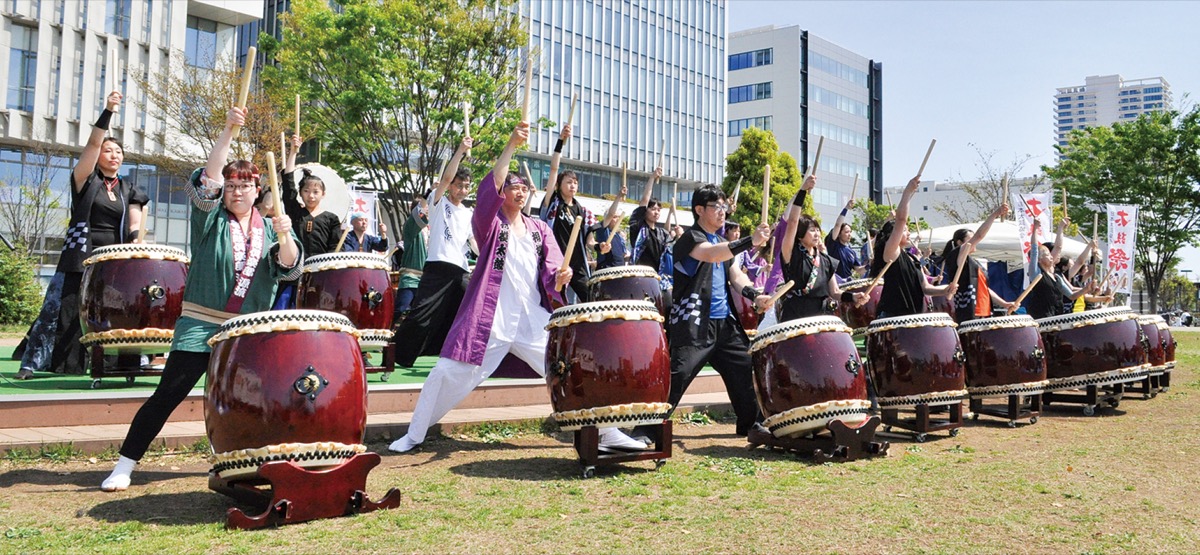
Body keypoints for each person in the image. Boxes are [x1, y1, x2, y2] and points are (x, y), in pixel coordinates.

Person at [388, 121, 644, 454]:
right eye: (513, 188)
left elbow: (553, 269)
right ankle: (414, 434)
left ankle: (606, 433)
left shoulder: (539, 229)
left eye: (524, 188)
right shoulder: (489, 225)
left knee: (569, 367)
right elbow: (491, 184)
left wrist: (561, 277)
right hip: (490, 321)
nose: (520, 192)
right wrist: (511, 144)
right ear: (502, 195)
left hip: (532, 321)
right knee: (445, 372)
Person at [101, 106, 301, 491]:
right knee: (169, 392)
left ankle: (250, 464)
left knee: (252, 401)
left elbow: (289, 267)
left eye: (245, 186)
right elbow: (210, 176)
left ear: (257, 191)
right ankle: (125, 464)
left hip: (246, 331)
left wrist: (285, 234)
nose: (237, 191)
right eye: (231, 186)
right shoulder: (210, 220)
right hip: (201, 323)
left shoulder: (271, 228)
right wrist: (228, 131)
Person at [15, 91, 148, 379]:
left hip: (113, 259)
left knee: (113, 310)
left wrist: (136, 240)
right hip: (81, 254)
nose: (114, 155)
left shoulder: (128, 188)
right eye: (108, 151)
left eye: (119, 152)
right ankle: (33, 363)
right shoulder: (85, 180)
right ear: (98, 156)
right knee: (60, 307)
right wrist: (108, 111)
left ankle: (116, 364)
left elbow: (135, 218)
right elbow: (92, 143)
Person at [631, 184, 775, 445]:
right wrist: (749, 241)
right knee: (678, 374)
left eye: (724, 206)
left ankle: (751, 425)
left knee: (744, 368)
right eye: (716, 206)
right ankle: (646, 430)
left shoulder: (721, 242)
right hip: (694, 322)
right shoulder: (690, 239)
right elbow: (709, 255)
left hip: (726, 324)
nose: (722, 211)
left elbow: (736, 276)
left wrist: (755, 295)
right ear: (699, 210)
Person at [393, 137, 476, 367]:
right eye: (458, 185)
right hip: (437, 266)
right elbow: (447, 177)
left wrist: (484, 256)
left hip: (460, 270)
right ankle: (397, 354)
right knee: (421, 314)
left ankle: (458, 354)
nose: (462, 190)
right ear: (450, 186)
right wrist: (460, 150)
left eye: (467, 186)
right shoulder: (438, 202)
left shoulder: (469, 214)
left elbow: (473, 242)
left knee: (469, 309)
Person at [778, 176, 868, 321]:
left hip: (822, 316)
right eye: (811, 230)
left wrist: (853, 297)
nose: (817, 234)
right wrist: (803, 190)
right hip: (796, 315)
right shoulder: (791, 253)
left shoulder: (826, 260)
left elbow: (835, 292)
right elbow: (793, 222)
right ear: (800, 235)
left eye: (817, 230)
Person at [870, 176, 957, 319]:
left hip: (913, 315)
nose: (909, 233)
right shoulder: (891, 253)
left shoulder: (913, 258)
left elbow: (926, 288)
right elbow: (901, 220)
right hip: (892, 317)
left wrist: (945, 290)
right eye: (905, 230)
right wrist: (907, 192)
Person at [275, 134, 340, 308]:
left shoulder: (331, 219)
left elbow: (335, 248)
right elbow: (288, 182)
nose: (311, 196)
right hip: (293, 274)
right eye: (306, 191)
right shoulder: (296, 212)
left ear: (323, 194)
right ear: (301, 193)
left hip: (319, 277)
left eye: (315, 192)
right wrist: (293, 152)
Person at [540, 124, 600, 303]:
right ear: (559, 185)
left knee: (591, 301)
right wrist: (561, 141)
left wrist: (599, 247)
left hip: (577, 264)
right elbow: (553, 169)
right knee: (555, 304)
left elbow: (589, 241)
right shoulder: (553, 203)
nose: (573, 185)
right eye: (568, 182)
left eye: (575, 182)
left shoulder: (581, 210)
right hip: (555, 263)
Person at [939, 203, 1015, 322]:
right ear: (960, 243)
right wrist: (995, 214)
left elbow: (984, 288)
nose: (975, 241)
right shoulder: (956, 256)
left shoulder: (973, 263)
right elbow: (979, 235)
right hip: (969, 312)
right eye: (971, 238)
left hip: (985, 312)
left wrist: (1004, 303)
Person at [1025, 218, 1089, 319]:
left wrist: (1086, 289)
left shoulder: (1057, 277)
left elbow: (1071, 295)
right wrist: (1035, 229)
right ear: (1039, 259)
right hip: (1041, 317)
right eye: (1047, 255)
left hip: (1057, 316)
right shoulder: (1036, 273)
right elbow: (1034, 250)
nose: (1051, 257)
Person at [629, 166, 671, 269]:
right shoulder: (639, 227)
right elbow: (644, 200)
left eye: (658, 210)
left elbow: (668, 238)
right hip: (640, 272)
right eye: (653, 209)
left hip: (656, 273)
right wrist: (652, 178)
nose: (656, 212)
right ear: (645, 211)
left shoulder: (660, 233)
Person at [395, 195, 430, 315]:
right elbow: (418, 214)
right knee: (401, 309)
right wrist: (430, 191)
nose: (428, 209)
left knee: (420, 315)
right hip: (411, 277)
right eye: (426, 207)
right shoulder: (411, 226)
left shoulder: (431, 230)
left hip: (426, 279)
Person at [824, 197, 865, 281]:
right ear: (839, 234)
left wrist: (870, 265)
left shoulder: (852, 252)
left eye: (850, 232)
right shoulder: (833, 245)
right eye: (846, 232)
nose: (849, 234)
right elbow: (838, 224)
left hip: (847, 282)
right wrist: (846, 208)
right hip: (834, 282)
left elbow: (859, 270)